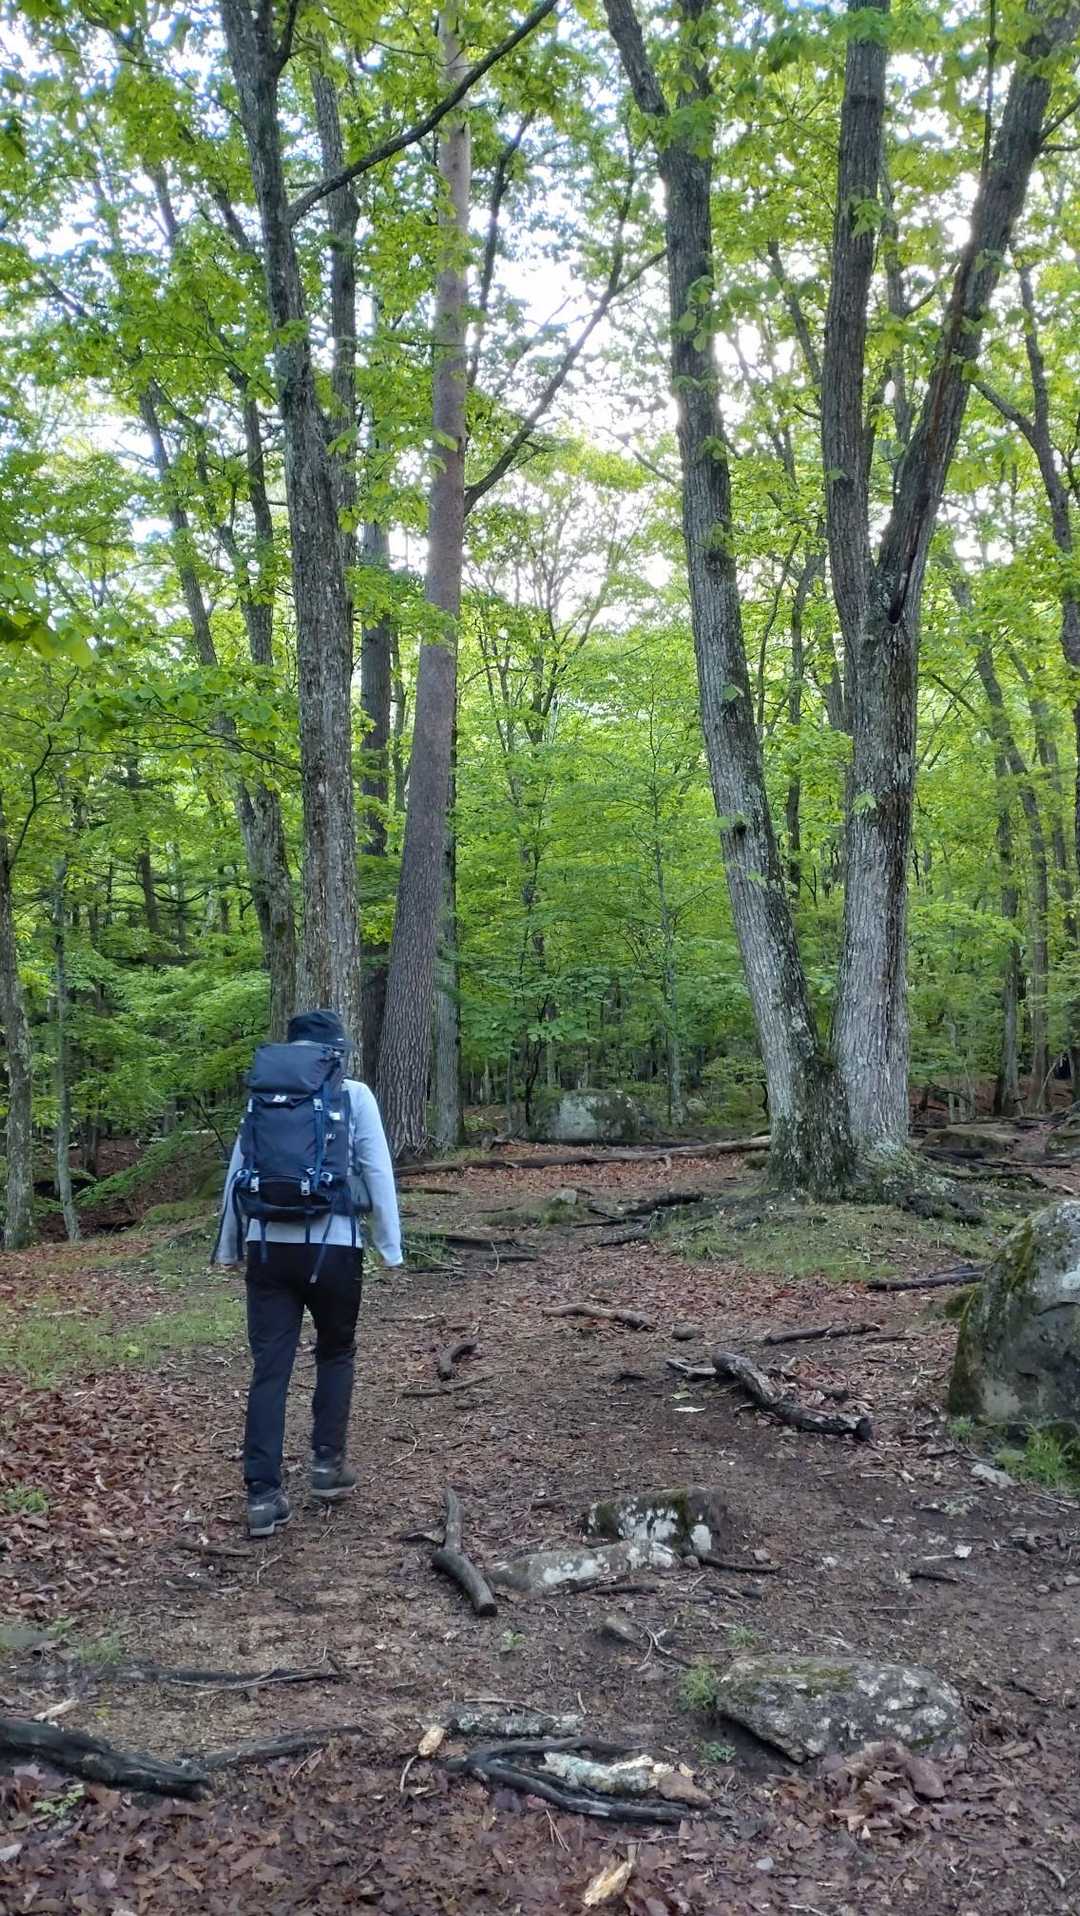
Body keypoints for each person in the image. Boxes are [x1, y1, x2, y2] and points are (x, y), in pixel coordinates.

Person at [214, 1008, 403, 1538]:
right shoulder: (354, 1095)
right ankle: (326, 1466)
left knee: (269, 1368)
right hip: (334, 1247)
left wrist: (229, 1247)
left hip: (267, 1248)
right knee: (335, 1352)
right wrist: (390, 1247)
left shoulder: (262, 1098)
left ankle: (262, 1495)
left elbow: (237, 1174)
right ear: (334, 1053)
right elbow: (377, 1170)